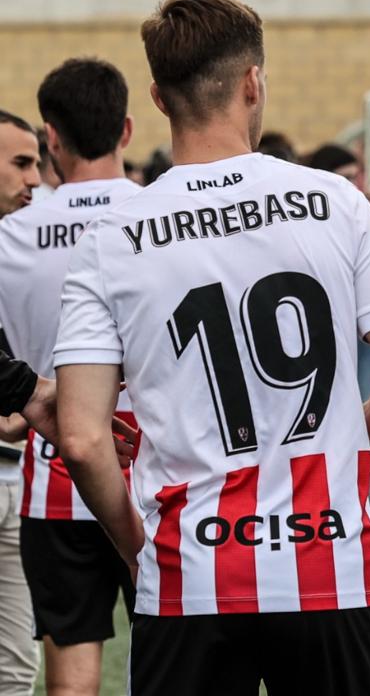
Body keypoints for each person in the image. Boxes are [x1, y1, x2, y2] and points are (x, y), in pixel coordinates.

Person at [52, 0, 370, 695]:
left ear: (159, 99)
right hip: (331, 567)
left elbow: (80, 439)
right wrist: (340, 436)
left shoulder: (110, 238)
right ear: (253, 82)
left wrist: (136, 545)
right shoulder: (336, 202)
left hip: (189, 574)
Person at [0, 58, 142, 696]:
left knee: (72, 676)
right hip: (152, 468)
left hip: (53, 470)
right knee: (172, 661)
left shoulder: (11, 235)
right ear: (128, 129)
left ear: (50, 137)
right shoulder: (160, 217)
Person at [0, 108, 41, 696]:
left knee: (17, 670)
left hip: (17, 476)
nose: (35, 178)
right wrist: (33, 392)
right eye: (21, 163)